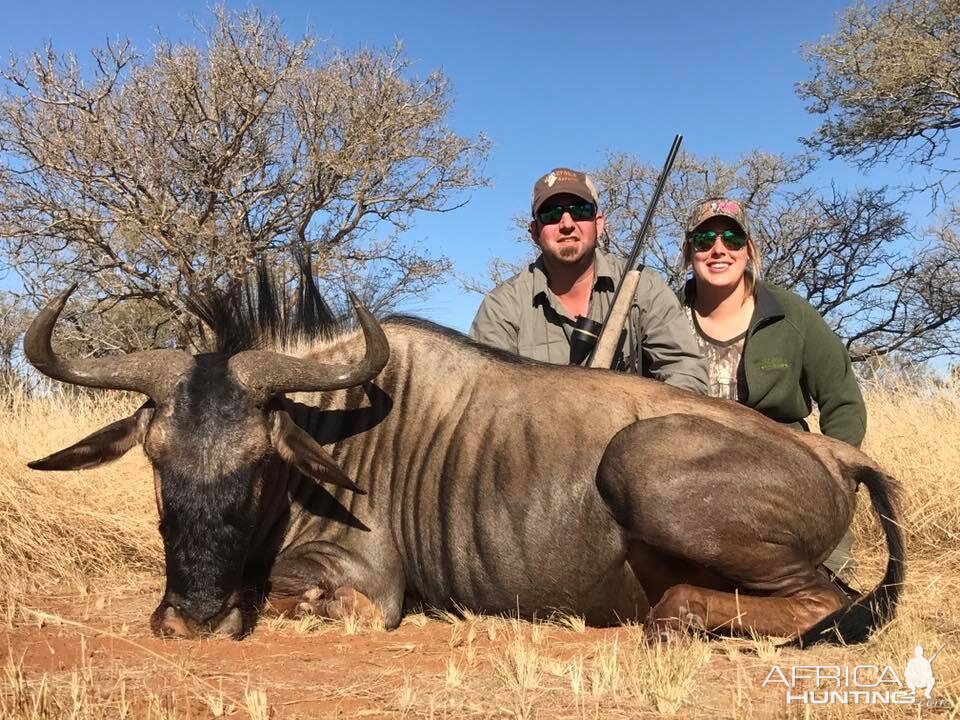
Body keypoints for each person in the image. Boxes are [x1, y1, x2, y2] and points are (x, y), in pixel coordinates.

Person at [680, 197, 867, 577]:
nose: (718, 249)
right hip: (691, 479)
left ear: (749, 250)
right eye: (704, 241)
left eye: (732, 238)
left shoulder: (791, 313)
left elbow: (843, 400)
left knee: (829, 583)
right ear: (689, 253)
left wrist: (834, 474)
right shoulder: (664, 315)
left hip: (784, 479)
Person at [469, 167, 708, 395]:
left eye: (580, 211)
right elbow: (486, 397)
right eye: (551, 215)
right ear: (534, 231)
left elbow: (687, 374)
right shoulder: (501, 307)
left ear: (599, 223)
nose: (567, 224)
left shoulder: (644, 286)